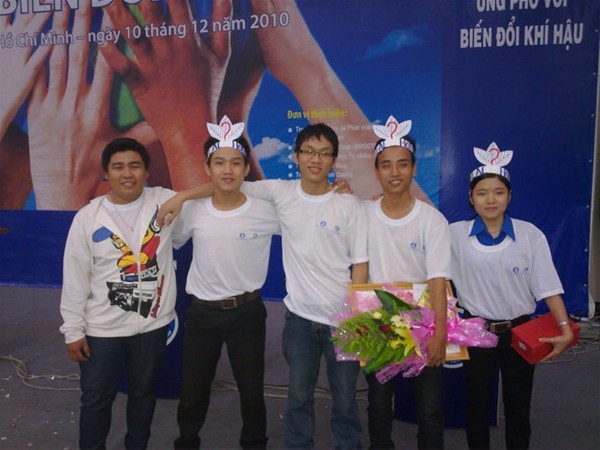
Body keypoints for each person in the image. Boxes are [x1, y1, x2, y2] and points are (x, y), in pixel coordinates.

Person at [161, 123, 368, 449]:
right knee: (287, 395)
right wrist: (183, 196)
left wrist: (357, 316)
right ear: (296, 156)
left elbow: (357, 257)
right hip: (255, 315)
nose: (316, 159)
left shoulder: (329, 205)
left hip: (305, 315)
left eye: (324, 153)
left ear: (333, 160)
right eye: (309, 151)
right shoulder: (276, 194)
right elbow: (225, 184)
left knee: (334, 396)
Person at [449, 142, 573, 450]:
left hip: (520, 330)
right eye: (482, 193)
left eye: (498, 192)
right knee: (476, 406)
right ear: (471, 197)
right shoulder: (454, 234)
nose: (490, 200)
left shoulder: (530, 235)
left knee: (518, 406)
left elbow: (548, 287)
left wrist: (565, 327)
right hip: (475, 331)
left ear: (510, 196)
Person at [59, 137, 179, 449]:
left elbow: (213, 192)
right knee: (96, 400)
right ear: (106, 173)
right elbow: (75, 278)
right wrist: (73, 330)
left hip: (150, 327)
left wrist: (184, 197)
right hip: (102, 329)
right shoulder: (88, 218)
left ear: (146, 171)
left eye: (135, 166)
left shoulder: (164, 201)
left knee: (143, 395)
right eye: (118, 167)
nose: (127, 173)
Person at [172, 117, 279, 450]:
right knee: (193, 391)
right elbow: (173, 241)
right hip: (202, 314)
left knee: (251, 391)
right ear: (207, 168)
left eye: (235, 162)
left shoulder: (265, 212)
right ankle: (187, 442)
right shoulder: (193, 210)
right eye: (219, 162)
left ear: (246, 169)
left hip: (247, 313)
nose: (227, 170)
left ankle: (255, 443)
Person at [363, 117, 448, 449]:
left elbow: (438, 280)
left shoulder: (431, 220)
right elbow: (359, 271)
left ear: (414, 168)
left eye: (402, 164)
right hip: (378, 323)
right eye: (386, 165)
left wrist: (439, 332)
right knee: (378, 401)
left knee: (429, 408)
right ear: (377, 171)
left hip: (423, 323)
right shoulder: (364, 214)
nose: (394, 172)